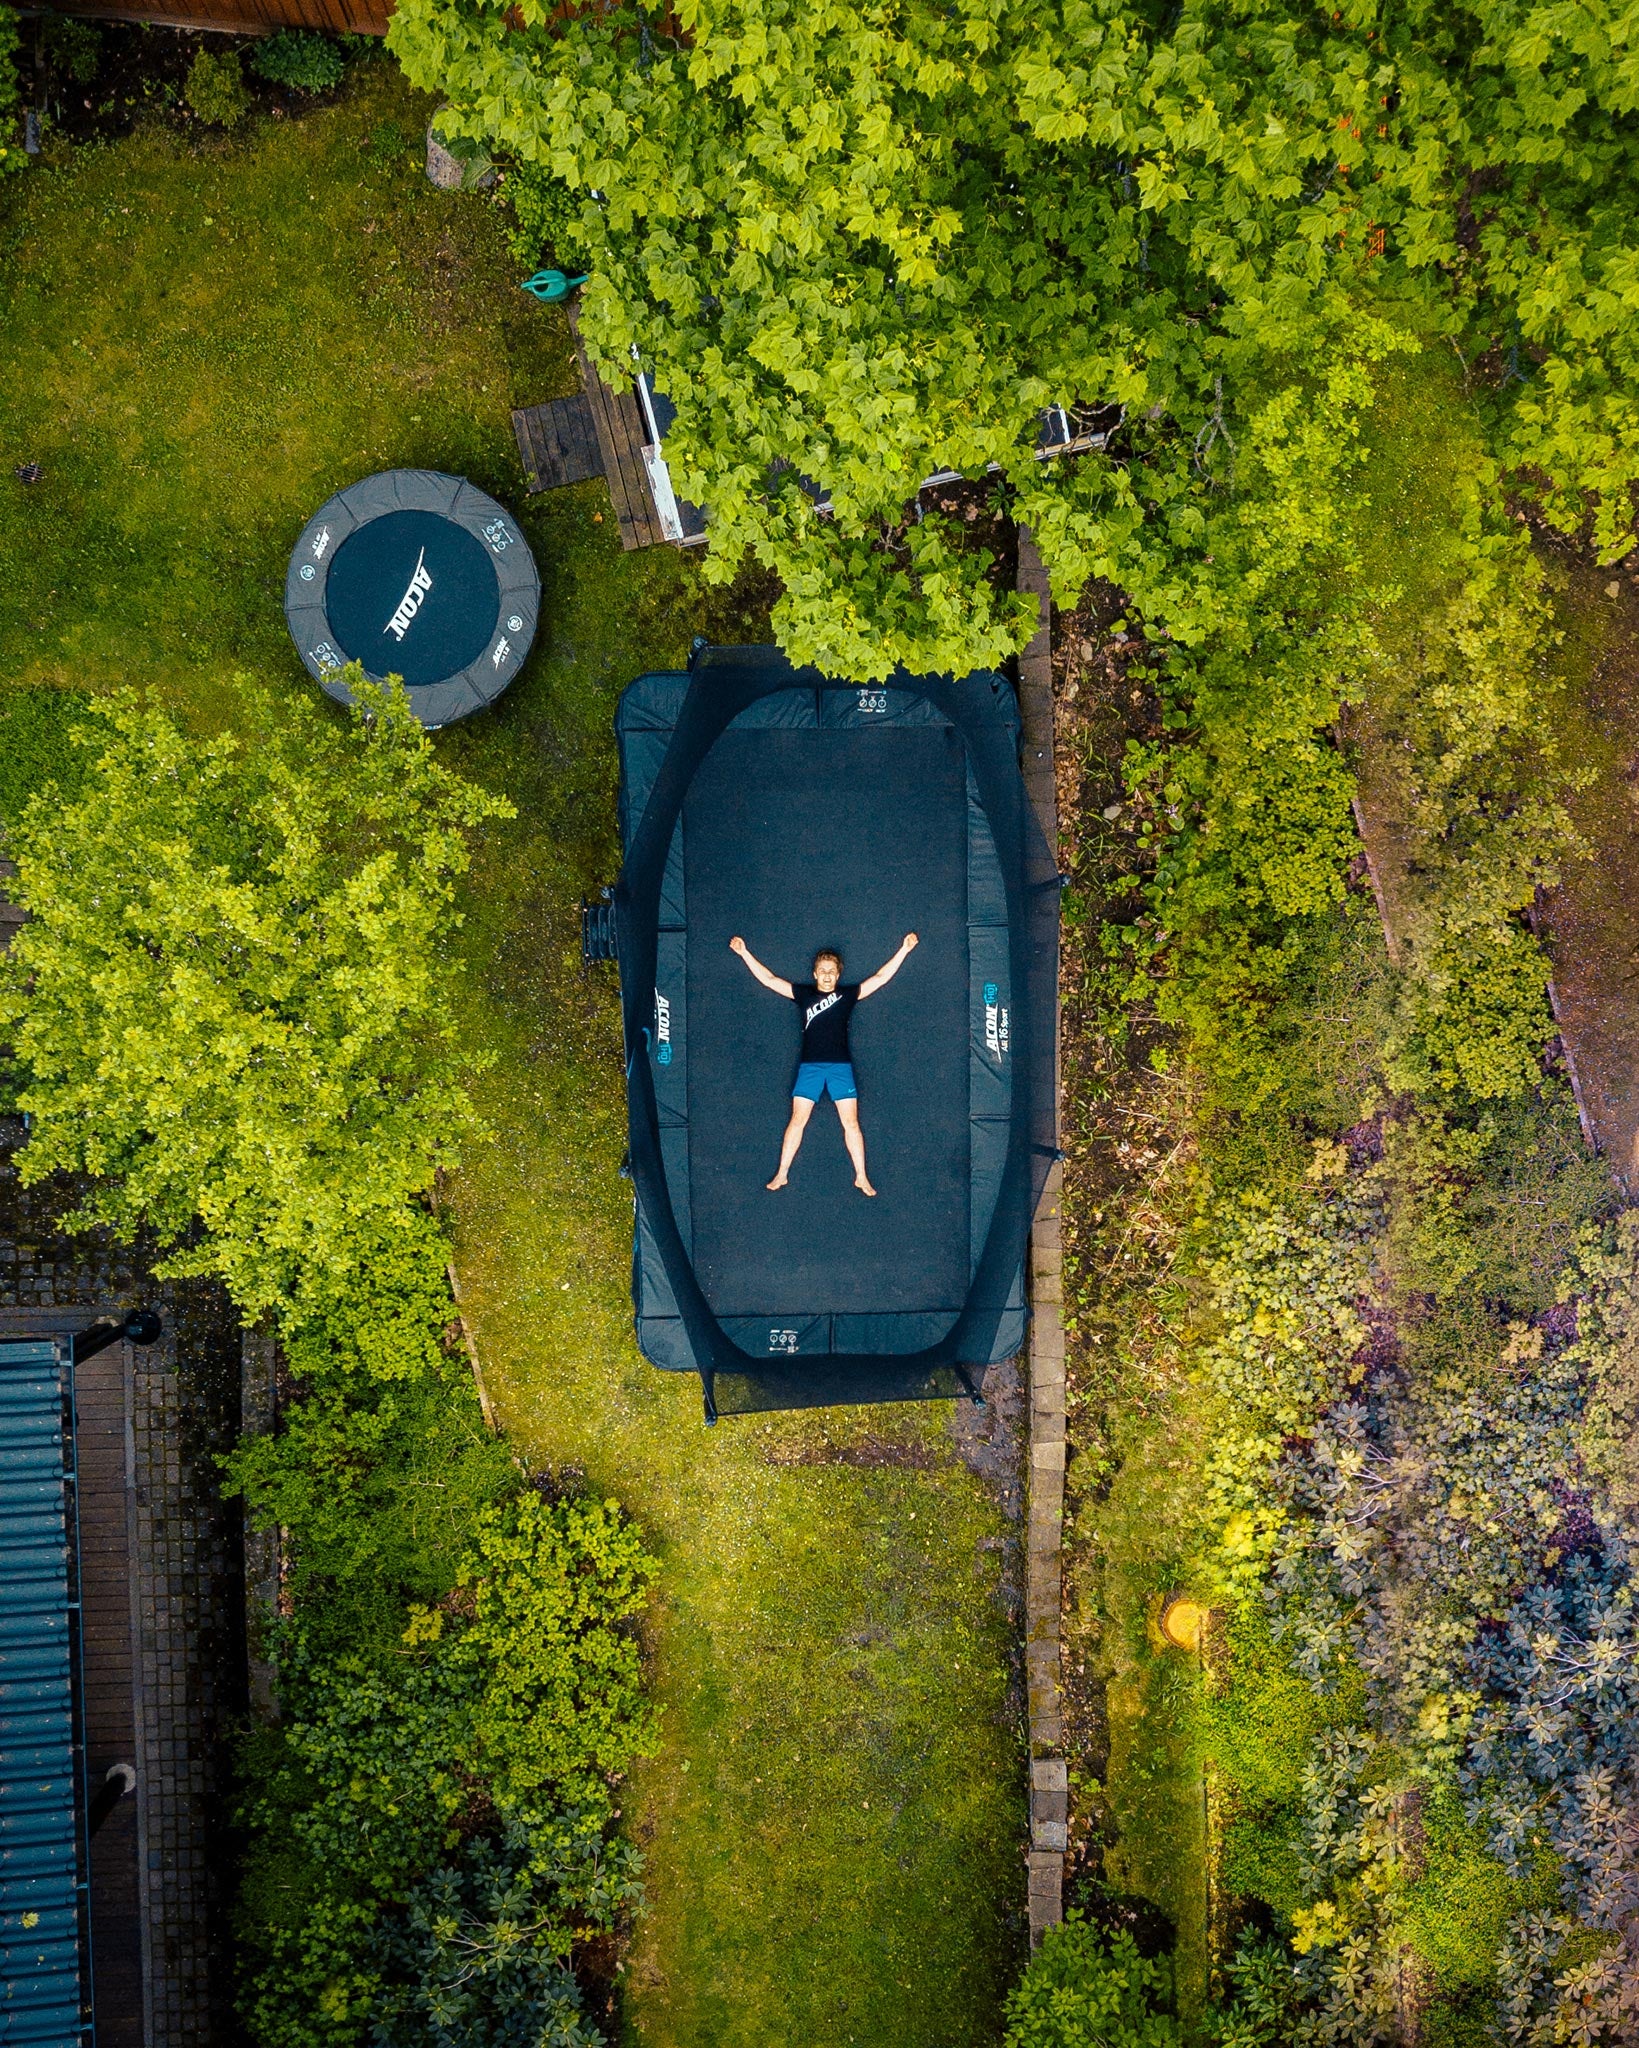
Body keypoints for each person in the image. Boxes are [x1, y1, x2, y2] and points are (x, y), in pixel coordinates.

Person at [728, 932, 919, 1197]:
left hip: (840, 1067)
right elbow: (770, 980)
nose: (827, 975)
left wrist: (904, 950)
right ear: (815, 974)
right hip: (811, 1067)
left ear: (838, 975)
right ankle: (782, 1173)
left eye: (832, 971)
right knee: (797, 1120)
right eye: (822, 971)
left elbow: (880, 978)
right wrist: (744, 953)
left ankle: (861, 1176)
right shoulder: (803, 995)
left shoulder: (848, 995)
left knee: (851, 1123)